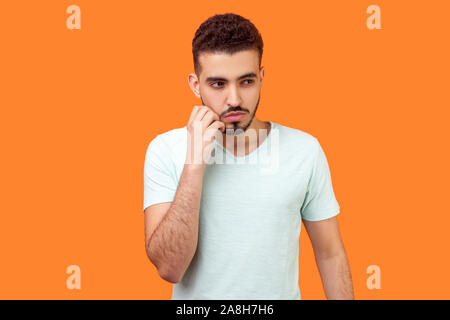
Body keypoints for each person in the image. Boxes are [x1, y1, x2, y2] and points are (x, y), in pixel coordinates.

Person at [143, 13, 354, 300]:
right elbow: (169, 268)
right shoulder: (165, 149)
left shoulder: (304, 150)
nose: (234, 99)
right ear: (195, 85)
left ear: (262, 78)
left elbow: (330, 254)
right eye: (218, 84)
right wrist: (194, 164)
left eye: (246, 81)